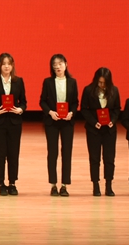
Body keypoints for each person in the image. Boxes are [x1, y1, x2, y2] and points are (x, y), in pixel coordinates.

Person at [0, 53, 26, 196]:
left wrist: (20, 109)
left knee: (13, 153)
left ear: (12, 65)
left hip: (14, 122)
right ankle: (1, 183)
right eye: (4, 64)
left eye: (9, 64)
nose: (6, 66)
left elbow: (23, 102)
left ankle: (12, 183)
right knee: (0, 154)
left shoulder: (18, 81)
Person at [39, 53, 79, 197]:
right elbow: (42, 101)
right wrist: (50, 112)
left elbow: (75, 102)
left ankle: (64, 185)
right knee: (52, 152)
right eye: (54, 64)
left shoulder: (72, 82)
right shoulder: (48, 82)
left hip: (67, 122)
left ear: (66, 65)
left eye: (60, 63)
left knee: (67, 152)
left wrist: (71, 113)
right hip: (52, 121)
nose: (57, 66)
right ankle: (53, 185)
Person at [80, 67, 121, 196]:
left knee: (109, 158)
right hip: (94, 130)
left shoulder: (114, 90)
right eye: (99, 82)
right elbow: (84, 109)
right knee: (94, 158)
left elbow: (117, 109)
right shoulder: (88, 90)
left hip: (109, 130)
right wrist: (93, 122)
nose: (102, 85)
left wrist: (112, 120)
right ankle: (96, 185)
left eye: (104, 83)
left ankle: (109, 185)